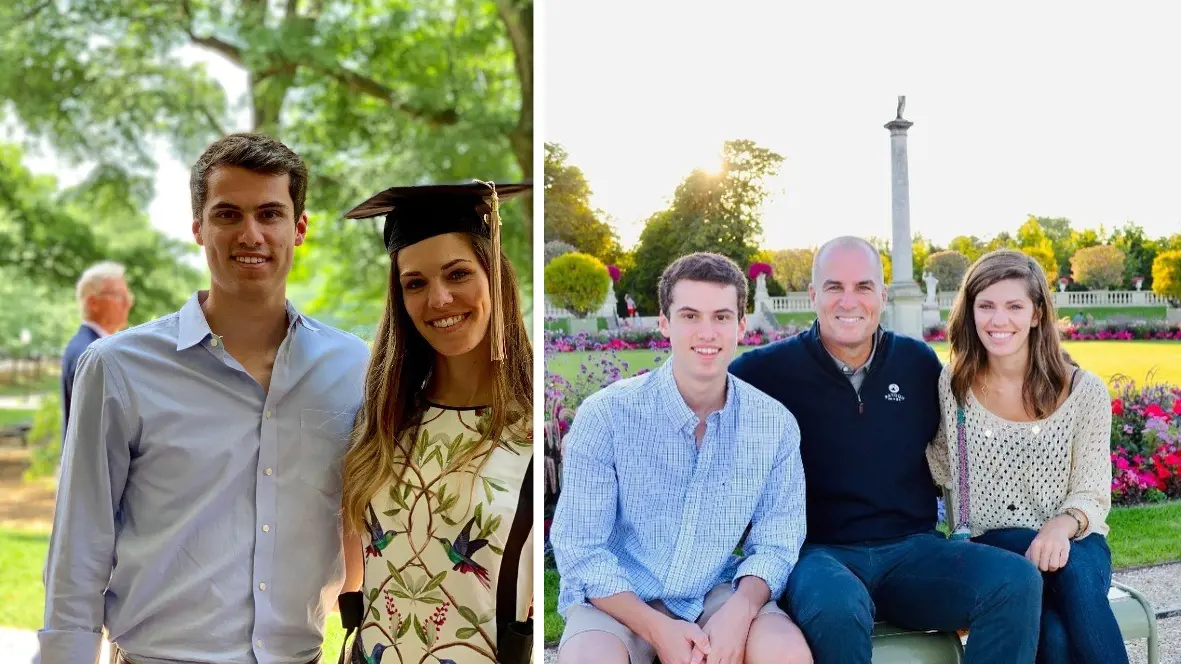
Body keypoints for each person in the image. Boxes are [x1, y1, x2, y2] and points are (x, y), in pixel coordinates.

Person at [39, 133, 370, 664]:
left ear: (299, 228)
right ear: (198, 228)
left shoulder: (353, 368)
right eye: (227, 215)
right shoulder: (119, 368)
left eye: (270, 214)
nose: (251, 234)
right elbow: (80, 543)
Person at [728, 236, 1042, 664]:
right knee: (838, 609)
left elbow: (956, 450)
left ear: (882, 295)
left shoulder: (917, 363)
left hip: (912, 551)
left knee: (1015, 579)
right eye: (834, 287)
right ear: (813, 295)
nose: (848, 301)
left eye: (863, 287)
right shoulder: (761, 373)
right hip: (818, 554)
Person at [551, 252, 811, 664]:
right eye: (690, 315)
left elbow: (778, 540)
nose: (707, 332)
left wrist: (740, 611)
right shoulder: (607, 416)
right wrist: (657, 628)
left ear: (741, 326)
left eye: (722, 317)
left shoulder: (773, 424)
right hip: (620, 596)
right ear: (665, 322)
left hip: (716, 591)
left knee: (786, 654)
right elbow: (581, 548)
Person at [338, 182, 535, 664]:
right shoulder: (383, 422)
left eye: (458, 273)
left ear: (493, 276)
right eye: (416, 283)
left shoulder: (534, 434)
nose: (440, 299)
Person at [928, 250, 1126, 664]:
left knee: (1067, 594)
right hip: (996, 544)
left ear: (1037, 314)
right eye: (986, 306)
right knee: (1051, 634)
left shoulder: (1083, 392)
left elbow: (1092, 492)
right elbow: (939, 463)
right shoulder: (956, 383)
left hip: (1076, 541)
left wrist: (1059, 526)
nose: (999, 321)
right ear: (971, 312)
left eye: (1014, 306)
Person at [61, 261, 134, 438]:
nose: (128, 304)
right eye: (119, 296)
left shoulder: (85, 345)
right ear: (93, 302)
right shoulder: (91, 352)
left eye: (129, 297)